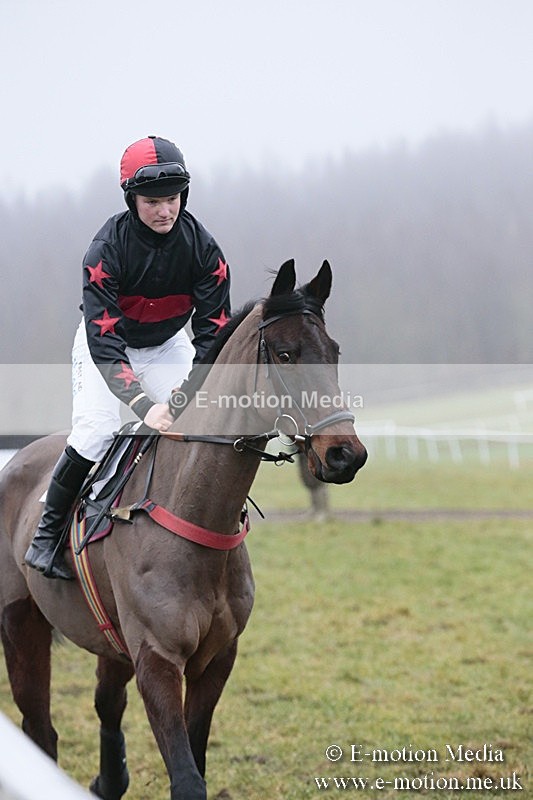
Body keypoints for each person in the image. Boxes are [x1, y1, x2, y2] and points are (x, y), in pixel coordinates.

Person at [25, 135, 231, 580]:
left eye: (173, 199)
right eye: (153, 201)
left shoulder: (205, 250)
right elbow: (105, 343)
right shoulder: (105, 252)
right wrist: (143, 406)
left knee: (199, 419)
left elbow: (212, 338)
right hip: (107, 346)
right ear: (131, 199)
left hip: (166, 345)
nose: (165, 211)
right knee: (97, 431)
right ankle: (48, 534)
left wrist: (179, 401)